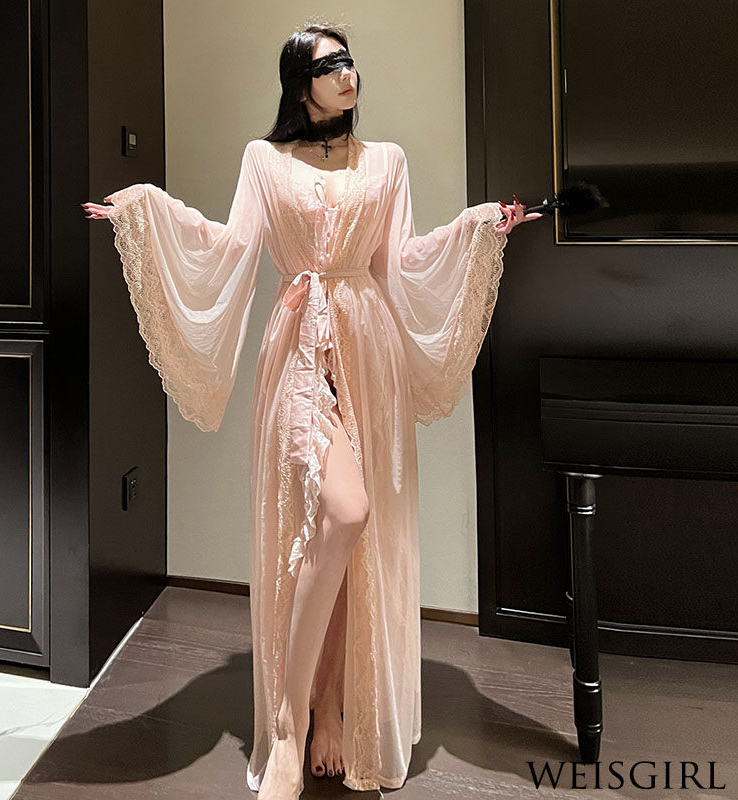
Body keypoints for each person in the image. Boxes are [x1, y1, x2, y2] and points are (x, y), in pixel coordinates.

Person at [83, 22, 540, 800]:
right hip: (298, 346)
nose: (348, 73)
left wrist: (474, 228)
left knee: (352, 537)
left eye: (350, 61)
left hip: (370, 348)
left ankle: (330, 706)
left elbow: (402, 260)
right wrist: (147, 210)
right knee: (338, 511)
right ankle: (288, 727)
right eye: (331, 64)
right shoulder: (264, 161)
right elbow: (229, 247)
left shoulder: (386, 161)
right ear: (301, 84)